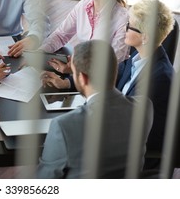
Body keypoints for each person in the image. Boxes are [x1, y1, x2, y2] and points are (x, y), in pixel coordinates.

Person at [37, 40, 153, 179]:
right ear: (115, 71)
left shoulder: (63, 126)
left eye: (73, 73)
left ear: (82, 78)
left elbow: (45, 178)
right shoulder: (145, 107)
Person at [39, 0, 129, 74]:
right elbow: (61, 35)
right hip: (80, 74)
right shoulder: (82, 6)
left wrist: (76, 69)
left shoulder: (122, 18)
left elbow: (114, 62)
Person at [116, 0, 175, 169]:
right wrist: (68, 80)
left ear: (145, 37)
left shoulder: (159, 79)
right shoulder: (136, 59)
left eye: (129, 26)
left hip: (137, 158)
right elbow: (111, 76)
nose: (124, 29)